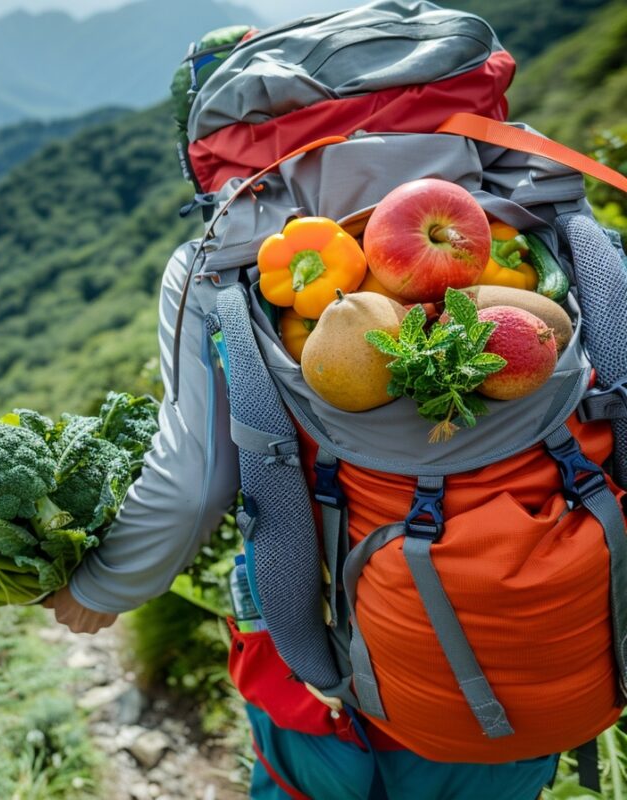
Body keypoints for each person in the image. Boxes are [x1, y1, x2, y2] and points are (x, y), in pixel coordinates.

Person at [43, 242, 560, 799]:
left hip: (338, 693)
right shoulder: (519, 206)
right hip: (528, 665)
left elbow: (198, 482)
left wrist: (107, 585)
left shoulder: (219, 256)